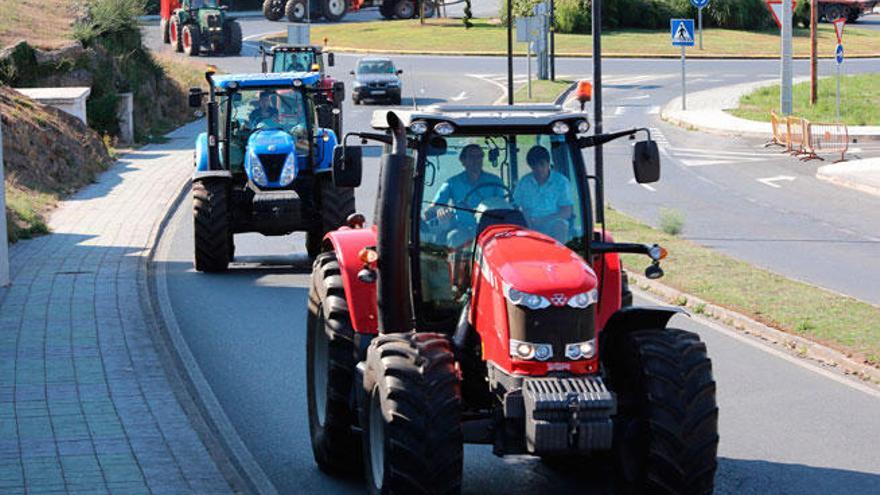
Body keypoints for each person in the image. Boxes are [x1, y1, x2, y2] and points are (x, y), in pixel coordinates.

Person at [426, 143, 505, 245]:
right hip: (462, 230)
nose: (476, 161)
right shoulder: (452, 183)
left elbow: (504, 207)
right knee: (453, 237)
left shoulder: (495, 181)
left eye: (479, 157)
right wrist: (441, 211)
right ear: (463, 161)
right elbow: (431, 209)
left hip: (490, 229)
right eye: (472, 157)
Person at [514, 145, 573, 242]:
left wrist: (544, 220)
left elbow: (566, 212)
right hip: (528, 225)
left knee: (561, 225)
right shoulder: (524, 182)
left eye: (542, 164)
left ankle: (559, 255)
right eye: (534, 166)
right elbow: (516, 206)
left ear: (548, 163)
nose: (539, 169)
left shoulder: (561, 182)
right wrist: (527, 221)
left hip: (552, 225)